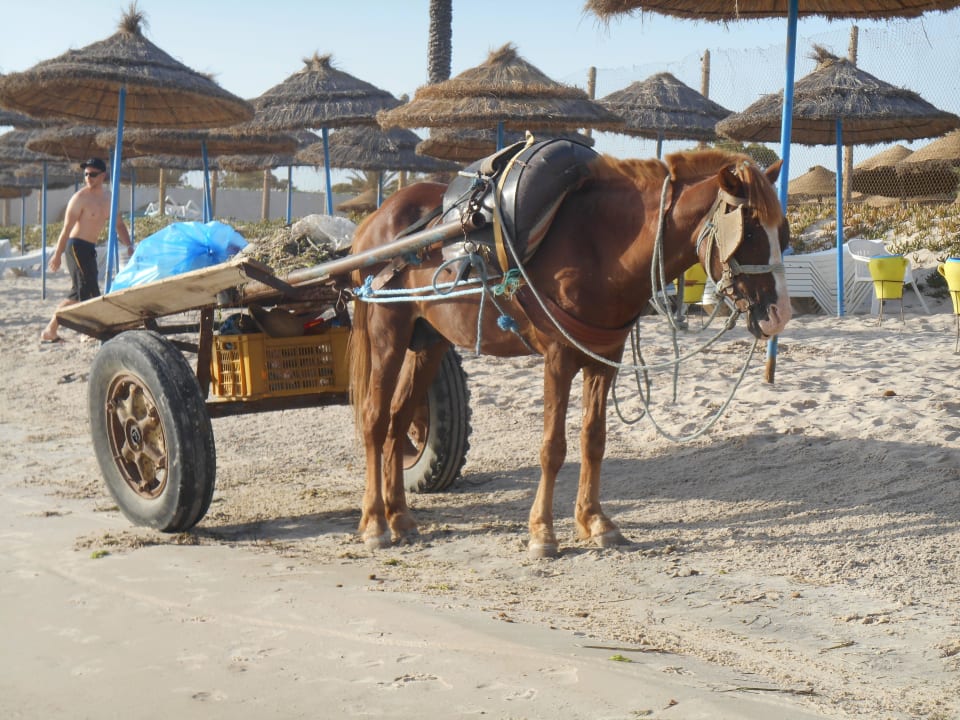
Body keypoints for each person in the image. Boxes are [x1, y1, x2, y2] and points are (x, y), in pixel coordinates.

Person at [40, 158, 132, 343]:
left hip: (89, 249)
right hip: (75, 247)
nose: (88, 178)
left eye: (93, 174)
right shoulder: (80, 198)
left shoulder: (109, 199)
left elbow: (119, 225)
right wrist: (57, 255)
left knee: (84, 291)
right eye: (86, 174)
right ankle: (86, 331)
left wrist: (129, 245)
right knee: (87, 289)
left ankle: (52, 330)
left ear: (103, 175)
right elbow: (66, 229)